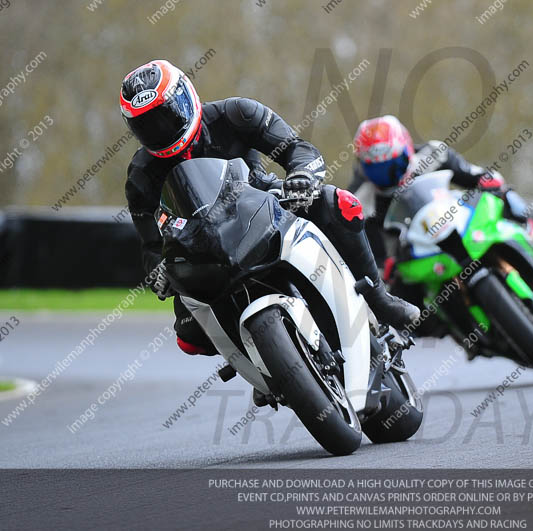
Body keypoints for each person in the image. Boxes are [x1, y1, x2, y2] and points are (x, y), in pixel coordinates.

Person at [120, 60, 419, 360]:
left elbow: (297, 148)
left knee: (339, 202)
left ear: (186, 97)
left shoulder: (236, 113)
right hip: (202, 247)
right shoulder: (141, 176)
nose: (160, 129)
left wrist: (302, 176)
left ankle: (378, 298)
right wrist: (159, 271)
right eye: (147, 125)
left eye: (166, 115)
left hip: (265, 203)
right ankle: (263, 362)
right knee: (190, 339)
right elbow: (151, 245)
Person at [348, 115, 533, 283]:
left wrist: (489, 182)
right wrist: (385, 267)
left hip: (454, 220)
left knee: (507, 194)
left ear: (406, 148)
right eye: (375, 168)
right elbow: (371, 254)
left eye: (392, 164)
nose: (386, 174)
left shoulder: (432, 154)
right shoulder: (359, 199)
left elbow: (475, 175)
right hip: (415, 252)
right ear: (362, 165)